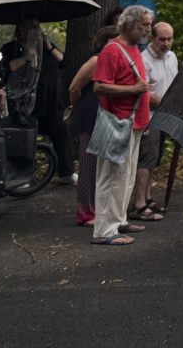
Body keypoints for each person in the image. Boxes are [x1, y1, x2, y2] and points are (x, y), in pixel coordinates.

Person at [90, 5, 153, 245]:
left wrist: (143, 119)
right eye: (143, 25)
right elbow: (99, 86)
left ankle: (118, 219)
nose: (148, 29)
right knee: (112, 176)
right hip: (118, 121)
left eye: (148, 24)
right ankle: (104, 230)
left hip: (133, 122)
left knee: (126, 176)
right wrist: (133, 90)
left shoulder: (134, 48)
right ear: (129, 24)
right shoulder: (112, 50)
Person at [0, 17, 75, 185]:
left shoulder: (46, 49)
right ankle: (21, 175)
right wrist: (26, 56)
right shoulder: (11, 48)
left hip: (51, 102)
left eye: (37, 26)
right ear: (21, 29)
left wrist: (48, 46)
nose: (35, 30)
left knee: (62, 131)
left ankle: (66, 172)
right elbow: (6, 68)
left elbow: (65, 62)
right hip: (25, 104)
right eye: (30, 27)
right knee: (24, 138)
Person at [68, 25, 119, 227]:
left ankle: (100, 208)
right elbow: (74, 88)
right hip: (91, 114)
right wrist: (78, 107)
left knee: (104, 167)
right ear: (103, 42)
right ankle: (86, 212)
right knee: (88, 165)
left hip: (108, 116)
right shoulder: (96, 60)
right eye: (112, 41)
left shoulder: (114, 62)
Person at [133, 21, 178, 220]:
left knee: (155, 159)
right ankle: (139, 204)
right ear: (153, 38)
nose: (166, 43)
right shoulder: (143, 59)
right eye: (162, 39)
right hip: (148, 116)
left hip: (164, 116)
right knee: (146, 159)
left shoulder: (172, 57)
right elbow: (144, 91)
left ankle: (148, 198)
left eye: (169, 39)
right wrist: (165, 103)